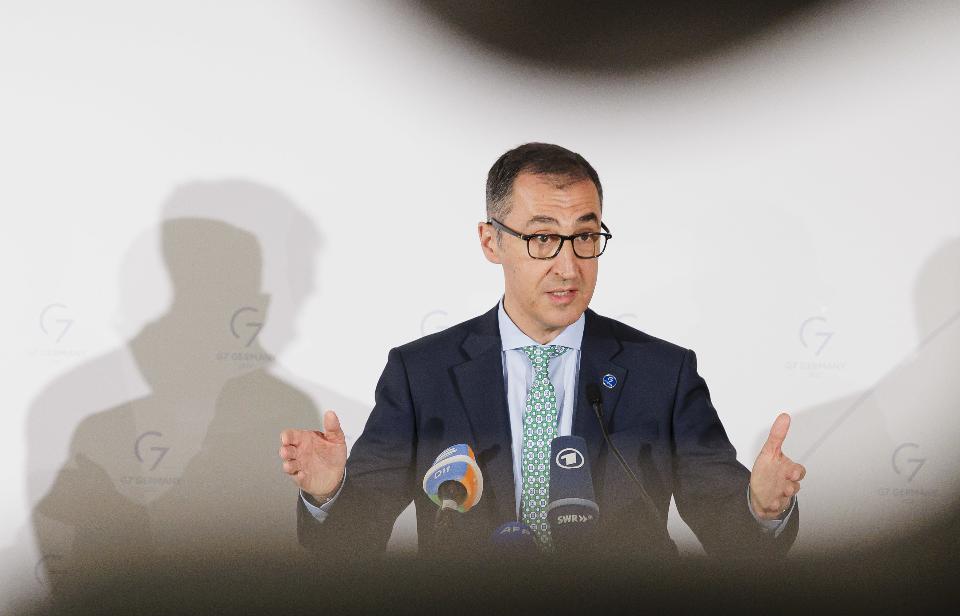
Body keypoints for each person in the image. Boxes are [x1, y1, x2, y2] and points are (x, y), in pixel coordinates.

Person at [279, 143, 805, 559]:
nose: (569, 266)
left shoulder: (663, 374)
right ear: (491, 242)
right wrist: (327, 497)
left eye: (585, 236)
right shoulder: (423, 374)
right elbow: (348, 544)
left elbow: (733, 537)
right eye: (542, 238)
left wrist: (762, 509)